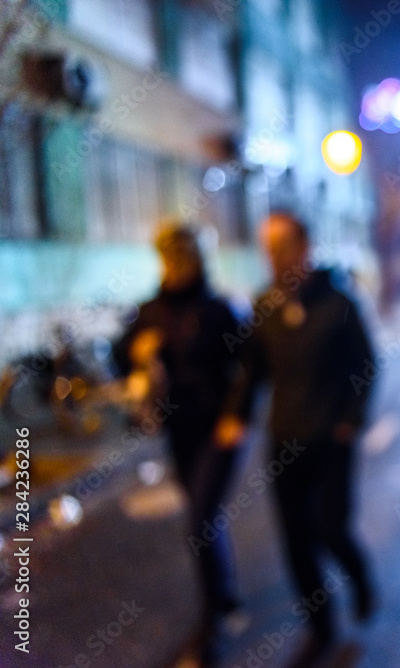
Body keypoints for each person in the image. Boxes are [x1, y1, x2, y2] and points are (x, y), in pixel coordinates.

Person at [216, 212, 376, 667]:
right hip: (285, 439)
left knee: (331, 527)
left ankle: (359, 574)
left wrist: (351, 419)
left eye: (281, 243)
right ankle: (321, 628)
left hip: (331, 438)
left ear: (303, 246)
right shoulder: (265, 306)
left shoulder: (338, 301)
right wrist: (235, 415)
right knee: (296, 542)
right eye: (267, 244)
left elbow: (366, 365)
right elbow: (252, 373)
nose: (273, 253)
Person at [113, 224, 243, 666]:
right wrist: (137, 350)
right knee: (204, 517)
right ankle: (223, 594)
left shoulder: (219, 309)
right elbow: (120, 356)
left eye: (183, 255)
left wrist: (235, 415)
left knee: (200, 520)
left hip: (218, 431)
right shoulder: (150, 310)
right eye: (168, 256)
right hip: (179, 432)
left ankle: (210, 627)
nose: (176, 264)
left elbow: (246, 369)